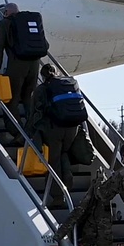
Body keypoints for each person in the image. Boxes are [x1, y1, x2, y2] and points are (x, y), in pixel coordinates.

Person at [28, 64, 80, 197]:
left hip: (53, 128)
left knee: (53, 161)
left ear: (42, 76)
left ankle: (57, 196)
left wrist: (29, 132)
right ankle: (67, 176)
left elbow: (33, 112)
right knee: (64, 152)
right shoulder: (68, 85)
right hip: (72, 127)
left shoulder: (41, 89)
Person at [0, 3, 40, 140]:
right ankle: (35, 131)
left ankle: (17, 132)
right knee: (29, 99)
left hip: (17, 65)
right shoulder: (30, 21)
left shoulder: (6, 23)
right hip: (34, 65)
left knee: (11, 99)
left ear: (6, 12)